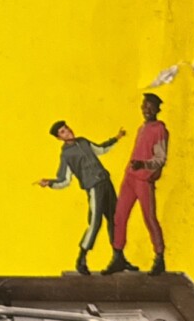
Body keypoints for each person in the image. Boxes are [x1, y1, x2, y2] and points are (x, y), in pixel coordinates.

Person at [37, 121, 128, 275]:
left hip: (106, 182)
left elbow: (100, 149)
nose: (68, 131)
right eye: (63, 132)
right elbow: (64, 180)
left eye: (67, 128)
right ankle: (81, 259)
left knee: (115, 219)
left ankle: (118, 257)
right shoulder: (66, 155)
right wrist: (50, 183)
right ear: (59, 138)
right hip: (94, 187)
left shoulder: (83, 141)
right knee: (95, 223)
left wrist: (116, 138)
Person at [108, 93, 169, 276]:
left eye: (150, 107)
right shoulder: (142, 128)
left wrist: (143, 165)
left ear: (157, 109)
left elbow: (160, 159)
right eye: (144, 106)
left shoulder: (160, 129)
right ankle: (118, 256)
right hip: (129, 178)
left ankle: (159, 257)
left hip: (144, 180)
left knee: (149, 218)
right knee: (119, 216)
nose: (146, 110)